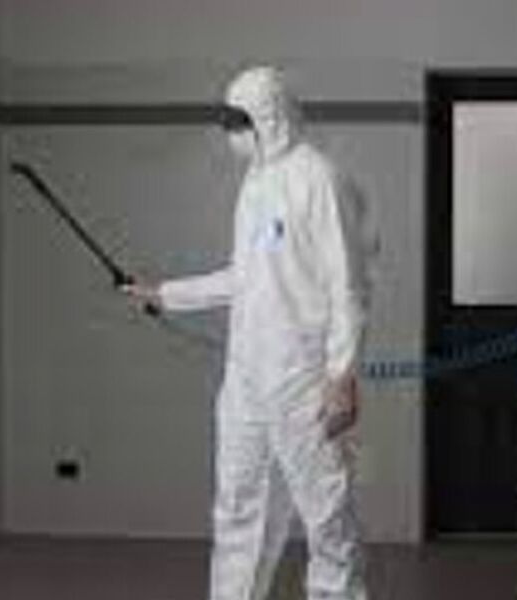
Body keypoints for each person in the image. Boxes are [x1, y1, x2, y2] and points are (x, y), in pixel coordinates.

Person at [123, 65, 371, 600]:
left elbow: (348, 284)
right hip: (246, 377)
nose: (232, 133)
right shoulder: (255, 182)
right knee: (237, 506)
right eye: (229, 122)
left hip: (302, 376)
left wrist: (341, 375)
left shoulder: (319, 179)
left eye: (240, 122)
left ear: (270, 118)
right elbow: (245, 276)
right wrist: (166, 293)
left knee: (325, 511)